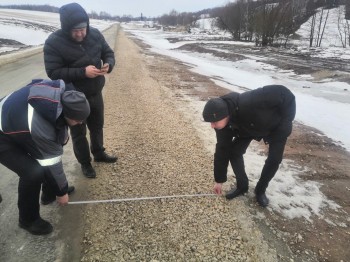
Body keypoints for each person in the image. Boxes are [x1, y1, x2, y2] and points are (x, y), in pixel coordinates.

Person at [0, 79, 90, 235]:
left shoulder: (61, 95)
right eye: (77, 120)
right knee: (32, 172)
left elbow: (54, 150)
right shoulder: (42, 127)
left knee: (47, 158)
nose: (80, 123)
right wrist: (62, 193)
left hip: (16, 122)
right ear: (66, 113)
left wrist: (58, 188)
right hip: (4, 134)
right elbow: (51, 161)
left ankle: (48, 194)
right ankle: (28, 220)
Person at [43, 2, 117, 179]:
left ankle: (99, 153)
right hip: (73, 97)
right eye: (75, 30)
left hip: (95, 93)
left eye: (83, 29)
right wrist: (83, 72)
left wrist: (109, 64)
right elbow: (53, 73)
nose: (80, 33)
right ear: (65, 27)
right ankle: (85, 163)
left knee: (97, 126)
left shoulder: (95, 34)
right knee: (78, 134)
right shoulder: (54, 42)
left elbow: (108, 52)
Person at [202, 85, 296, 207]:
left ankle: (260, 190)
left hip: (275, 127)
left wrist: (286, 122)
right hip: (247, 129)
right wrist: (219, 181)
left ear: (225, 115)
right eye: (210, 122)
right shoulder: (222, 127)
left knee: (274, 159)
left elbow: (284, 93)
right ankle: (242, 186)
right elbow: (222, 150)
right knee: (234, 152)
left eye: (214, 122)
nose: (212, 126)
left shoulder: (250, 100)